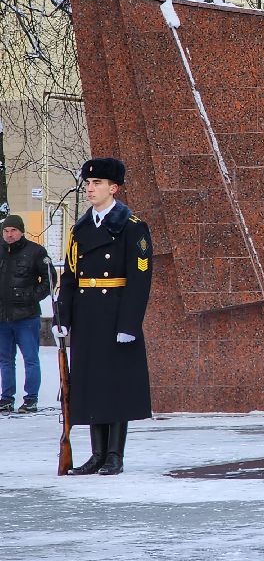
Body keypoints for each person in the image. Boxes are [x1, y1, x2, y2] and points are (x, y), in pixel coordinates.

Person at [53, 158, 153, 475]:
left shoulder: (132, 227)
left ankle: (114, 455)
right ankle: (96, 454)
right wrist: (63, 316)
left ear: (114, 188)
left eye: (97, 183)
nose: (91, 188)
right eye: (88, 183)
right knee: (91, 383)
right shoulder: (80, 229)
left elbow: (140, 281)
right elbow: (69, 277)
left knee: (116, 384)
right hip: (87, 314)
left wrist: (129, 324)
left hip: (115, 314)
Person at [0, 214, 55, 414]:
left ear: (21, 231)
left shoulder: (35, 252)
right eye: (6, 231)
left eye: (13, 230)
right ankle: (6, 398)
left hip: (26, 317)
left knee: (30, 358)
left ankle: (30, 398)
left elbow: (49, 279)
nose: (9, 235)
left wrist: (32, 297)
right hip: (2, 317)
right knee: (5, 360)